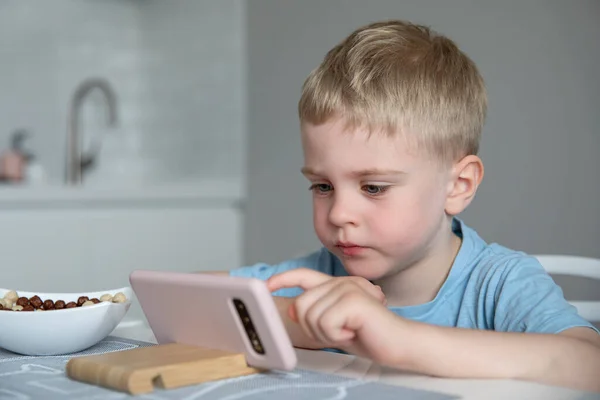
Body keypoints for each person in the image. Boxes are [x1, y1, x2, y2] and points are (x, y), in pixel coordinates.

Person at [213, 20, 600, 392]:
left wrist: (399, 339)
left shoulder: (499, 284)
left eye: (374, 187)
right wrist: (303, 324)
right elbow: (181, 303)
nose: (337, 214)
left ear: (458, 186)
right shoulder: (317, 278)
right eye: (322, 185)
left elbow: (590, 365)